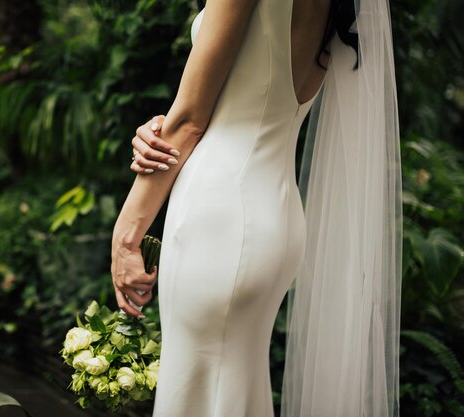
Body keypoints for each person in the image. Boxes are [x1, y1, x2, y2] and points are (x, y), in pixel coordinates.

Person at [111, 0, 401, 415]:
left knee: (195, 392)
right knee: (234, 390)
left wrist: (126, 238)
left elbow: (190, 119)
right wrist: (163, 128)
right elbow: (241, 97)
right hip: (276, 217)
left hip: (220, 214)